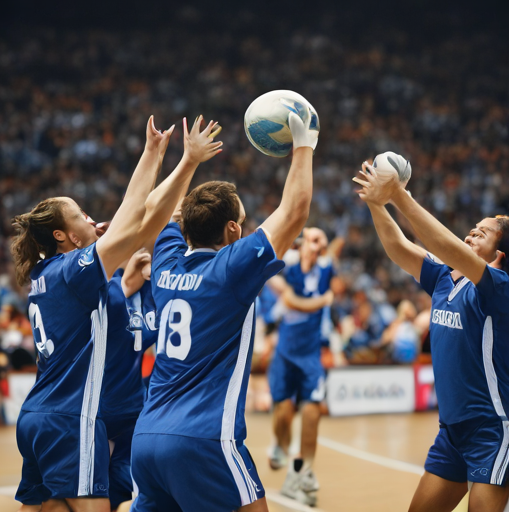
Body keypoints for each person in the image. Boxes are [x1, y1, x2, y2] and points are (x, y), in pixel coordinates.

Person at [11, 115, 222, 512]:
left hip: (37, 415)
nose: (91, 218)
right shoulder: (74, 271)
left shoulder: (47, 272)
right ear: (64, 236)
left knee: (50, 507)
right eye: (81, 216)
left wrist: (167, 157)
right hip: (70, 419)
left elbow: (138, 216)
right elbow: (138, 216)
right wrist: (170, 157)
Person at [130, 110, 318, 512]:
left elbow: (155, 208)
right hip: (204, 440)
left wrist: (189, 160)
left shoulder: (165, 262)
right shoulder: (232, 267)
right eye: (243, 222)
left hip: (146, 438)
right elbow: (295, 210)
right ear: (233, 231)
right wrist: (304, 144)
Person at [353, 162, 509, 512]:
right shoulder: (444, 279)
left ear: (499, 256)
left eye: (481, 234)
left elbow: (446, 244)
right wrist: (376, 202)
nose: (470, 235)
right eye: (471, 230)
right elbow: (397, 246)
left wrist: (399, 195)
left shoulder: (499, 289)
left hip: (493, 430)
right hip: (451, 432)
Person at [267, 227, 336, 507]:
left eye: (315, 242)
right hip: (285, 354)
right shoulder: (287, 268)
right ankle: (280, 445)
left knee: (312, 413)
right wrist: (322, 301)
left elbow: (334, 250)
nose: (312, 246)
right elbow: (291, 300)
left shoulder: (324, 269)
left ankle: (303, 473)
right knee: (283, 413)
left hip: (310, 357)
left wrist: (325, 241)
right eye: (307, 240)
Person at [99, 249, 157, 511]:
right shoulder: (105, 289)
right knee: (86, 497)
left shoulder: (156, 290)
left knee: (129, 496)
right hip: (95, 414)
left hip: (133, 413)